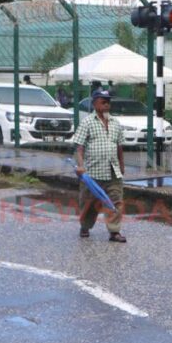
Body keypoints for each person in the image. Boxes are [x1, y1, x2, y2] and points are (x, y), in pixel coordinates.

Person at [72, 90, 126, 243]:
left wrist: (121, 165)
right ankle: (85, 226)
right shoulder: (87, 122)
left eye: (108, 101)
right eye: (103, 101)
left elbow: (119, 146)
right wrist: (81, 166)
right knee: (89, 203)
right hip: (92, 172)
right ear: (95, 103)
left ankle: (114, 232)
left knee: (115, 201)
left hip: (112, 170)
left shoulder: (116, 123)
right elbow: (80, 146)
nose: (107, 103)